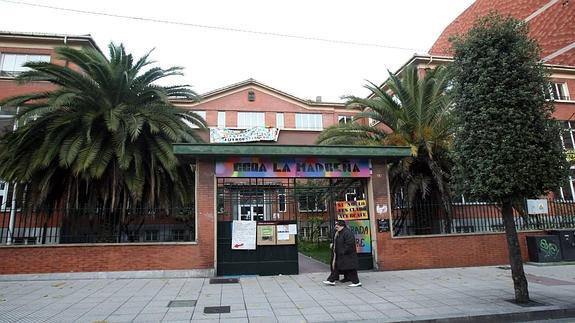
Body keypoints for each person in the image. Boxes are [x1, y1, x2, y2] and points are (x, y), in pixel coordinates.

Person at [323, 220, 361, 287]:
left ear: (342, 226)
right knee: (337, 268)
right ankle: (331, 280)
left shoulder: (347, 233)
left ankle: (356, 282)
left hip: (347, 255)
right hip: (342, 255)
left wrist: (343, 251)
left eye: (337, 225)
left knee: (351, 269)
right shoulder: (340, 232)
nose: (336, 226)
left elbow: (349, 244)